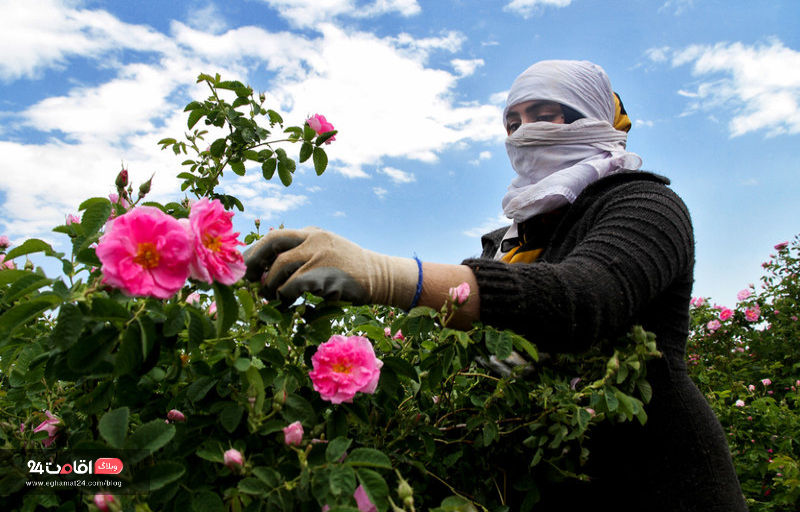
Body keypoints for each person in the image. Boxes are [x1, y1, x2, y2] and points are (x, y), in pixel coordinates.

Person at [243, 60, 748, 511]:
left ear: (594, 116)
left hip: (658, 480)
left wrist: (386, 275)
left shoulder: (646, 205)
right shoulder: (509, 241)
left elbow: (584, 299)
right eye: (513, 122)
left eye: (546, 114)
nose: (524, 131)